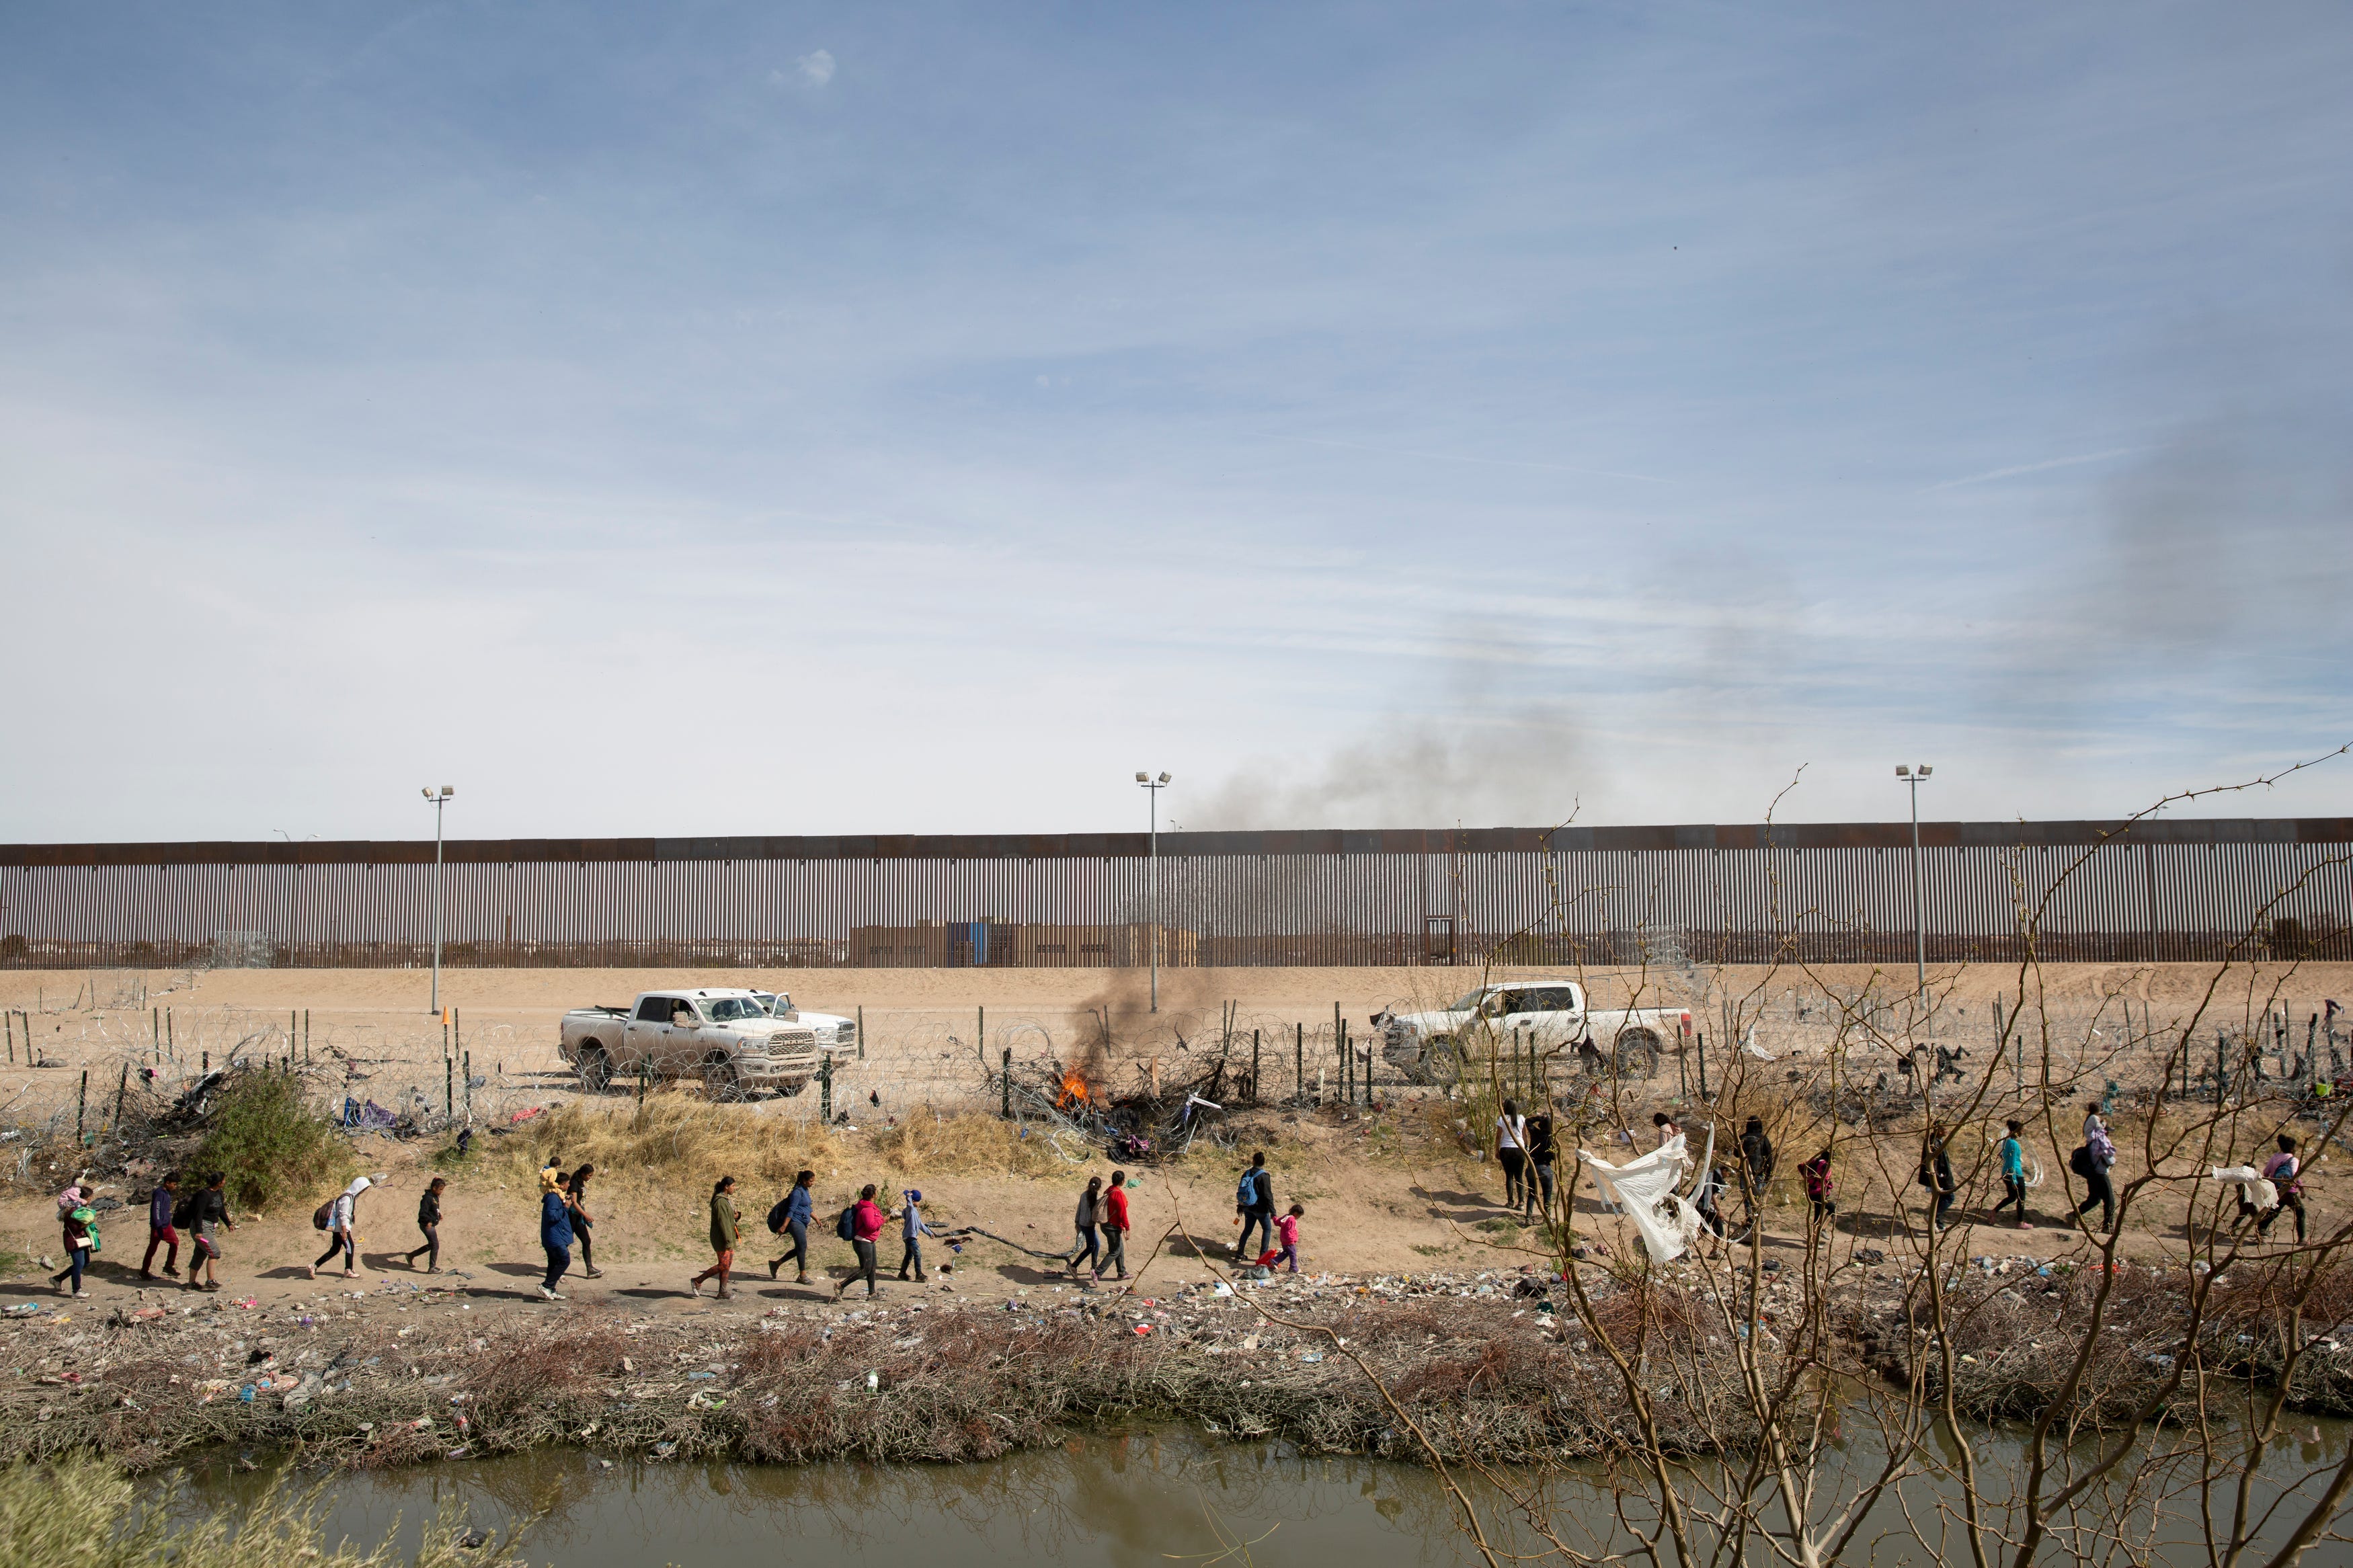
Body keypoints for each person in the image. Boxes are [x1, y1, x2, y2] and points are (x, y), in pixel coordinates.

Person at [690, 1175, 740, 1298]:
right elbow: (723, 1223)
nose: (735, 1188)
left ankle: (722, 1292)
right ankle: (698, 1280)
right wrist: (728, 1240)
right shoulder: (720, 1201)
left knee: (727, 1264)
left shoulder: (726, 1200)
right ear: (726, 1187)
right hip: (722, 1238)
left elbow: (729, 1218)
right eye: (733, 1186)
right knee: (723, 1264)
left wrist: (737, 1216)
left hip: (729, 1237)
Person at [311, 1175, 370, 1280]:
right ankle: (348, 1270)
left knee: (335, 1250)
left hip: (340, 1229)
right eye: (363, 1189)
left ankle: (314, 1266)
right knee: (350, 1247)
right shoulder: (346, 1198)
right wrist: (345, 1232)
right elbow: (343, 1216)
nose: (363, 1191)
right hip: (341, 1229)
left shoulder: (350, 1197)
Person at [834, 1184, 885, 1299]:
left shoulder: (866, 1206)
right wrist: (883, 1220)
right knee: (865, 1269)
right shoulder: (867, 1209)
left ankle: (872, 1293)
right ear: (873, 1195)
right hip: (863, 1241)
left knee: (872, 1267)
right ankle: (841, 1286)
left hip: (869, 1241)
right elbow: (870, 1226)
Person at [185, 1172, 234, 1292]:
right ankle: (210, 1281)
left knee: (200, 1254)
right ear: (219, 1183)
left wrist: (228, 1223)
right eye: (224, 1180)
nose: (225, 1182)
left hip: (210, 1228)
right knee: (214, 1252)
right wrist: (199, 1231)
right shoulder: (204, 1195)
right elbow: (199, 1213)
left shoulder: (218, 1193)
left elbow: (221, 1209)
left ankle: (191, 1283)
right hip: (202, 1229)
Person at [2255, 1134, 2307, 1244]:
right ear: (2293, 1148)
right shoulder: (2293, 1160)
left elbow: (2266, 1172)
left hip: (2276, 1190)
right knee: (2300, 1212)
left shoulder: (2275, 1157)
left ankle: (2261, 1230)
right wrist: (2301, 1187)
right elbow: (2294, 1176)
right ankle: (2302, 1239)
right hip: (2289, 1191)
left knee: (2273, 1211)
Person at [2071, 1112, 2116, 1235]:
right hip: (2100, 1174)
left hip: (2092, 1174)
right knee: (2110, 1200)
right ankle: (2108, 1226)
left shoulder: (2092, 1142)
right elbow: (2110, 1160)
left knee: (2094, 1199)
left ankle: (2073, 1215)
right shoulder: (2101, 1143)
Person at [768, 1169, 815, 1284]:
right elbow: (791, 1210)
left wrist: (816, 1218)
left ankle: (776, 1264)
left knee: (800, 1248)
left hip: (801, 1223)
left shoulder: (805, 1190)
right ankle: (802, 1276)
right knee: (802, 1246)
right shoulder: (797, 1192)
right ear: (804, 1181)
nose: (812, 1183)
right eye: (810, 1181)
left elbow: (807, 1207)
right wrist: (784, 1226)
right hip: (795, 1222)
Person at [50, 1192, 95, 1298]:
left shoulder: (80, 1209)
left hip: (81, 1239)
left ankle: (57, 1279)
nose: (90, 1200)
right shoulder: (73, 1211)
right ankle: (76, 1290)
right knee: (79, 1264)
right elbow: (74, 1227)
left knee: (84, 1263)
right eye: (89, 1198)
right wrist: (86, 1222)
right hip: (73, 1241)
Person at [539, 1171, 574, 1301]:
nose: (569, 1186)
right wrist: (565, 1207)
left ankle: (551, 1289)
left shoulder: (556, 1197)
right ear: (561, 1185)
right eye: (567, 1184)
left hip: (556, 1236)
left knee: (554, 1263)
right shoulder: (553, 1198)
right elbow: (552, 1216)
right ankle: (546, 1286)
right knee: (564, 1260)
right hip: (554, 1237)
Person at [141, 1173, 182, 1282]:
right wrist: (158, 1225)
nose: (175, 1186)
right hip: (160, 1226)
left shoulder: (166, 1193)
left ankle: (167, 1266)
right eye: (174, 1184)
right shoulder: (160, 1193)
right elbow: (156, 1210)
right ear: (167, 1183)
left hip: (166, 1224)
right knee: (153, 1248)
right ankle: (145, 1271)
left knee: (173, 1243)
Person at [1235, 1152, 1275, 1261]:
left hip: (1248, 1207)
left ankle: (1240, 1253)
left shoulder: (1247, 1174)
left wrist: (1241, 1205)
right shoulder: (1264, 1176)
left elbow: (1242, 1190)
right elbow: (1268, 1195)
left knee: (1247, 1230)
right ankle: (1263, 1256)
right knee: (1267, 1229)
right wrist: (1273, 1212)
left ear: (1253, 1161)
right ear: (1263, 1162)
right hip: (1261, 1209)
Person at [1991, 1121, 2032, 1229]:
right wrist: (2014, 1179)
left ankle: (1993, 1212)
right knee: (2021, 1198)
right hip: (2015, 1174)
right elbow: (2012, 1162)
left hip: (2007, 1173)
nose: (2023, 1132)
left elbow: (2004, 1156)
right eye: (2022, 1130)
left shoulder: (2007, 1142)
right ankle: (2021, 1223)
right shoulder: (2013, 1144)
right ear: (2017, 1132)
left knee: (2012, 1197)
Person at [567, 1165, 603, 1279]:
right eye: (589, 1175)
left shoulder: (580, 1182)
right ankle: (555, 1266)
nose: (590, 1178)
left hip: (578, 1216)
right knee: (566, 1242)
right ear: (583, 1173)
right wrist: (585, 1215)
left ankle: (590, 1268)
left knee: (586, 1241)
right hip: (573, 1216)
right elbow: (574, 1202)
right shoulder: (574, 1183)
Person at [1739, 1116, 1775, 1226]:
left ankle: (1750, 1221)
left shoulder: (1742, 1138)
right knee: (1757, 1199)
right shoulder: (1763, 1139)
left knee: (1747, 1197)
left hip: (1744, 1173)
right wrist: (1769, 1175)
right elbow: (1769, 1157)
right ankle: (1759, 1223)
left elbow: (1736, 1153)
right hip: (1759, 1174)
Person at [405, 1177, 446, 1272]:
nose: (441, 1192)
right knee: (435, 1245)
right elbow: (423, 1213)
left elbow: (434, 1209)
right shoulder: (427, 1199)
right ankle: (432, 1268)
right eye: (440, 1189)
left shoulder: (435, 1197)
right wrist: (429, 1221)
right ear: (434, 1188)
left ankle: (411, 1255)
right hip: (427, 1225)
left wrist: (438, 1215)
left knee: (432, 1245)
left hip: (431, 1224)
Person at [1919, 1128, 1956, 1231]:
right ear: (1939, 1131)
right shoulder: (1933, 1143)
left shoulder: (1936, 1141)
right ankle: (1932, 1218)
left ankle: (1938, 1224)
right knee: (1949, 1197)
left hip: (1941, 1176)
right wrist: (1937, 1176)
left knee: (1940, 1200)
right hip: (1940, 1178)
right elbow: (1933, 1162)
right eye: (1945, 1129)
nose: (1947, 1131)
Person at [1097, 1170, 1131, 1283]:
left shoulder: (1109, 1190)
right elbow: (1122, 1213)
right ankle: (1098, 1272)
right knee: (1115, 1251)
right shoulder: (1118, 1194)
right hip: (1112, 1226)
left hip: (1107, 1225)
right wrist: (1127, 1228)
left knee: (1119, 1249)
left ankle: (1121, 1273)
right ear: (1122, 1181)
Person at [1496, 1099, 1529, 1210]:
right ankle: (1521, 1202)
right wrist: (1527, 1147)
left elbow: (1498, 1136)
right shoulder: (1521, 1118)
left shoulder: (1503, 1119)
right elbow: (1525, 1135)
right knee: (1519, 1177)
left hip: (1506, 1149)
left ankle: (1510, 1201)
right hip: (1519, 1148)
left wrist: (1497, 1149)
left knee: (1509, 1176)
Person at [1524, 1113, 1557, 1221]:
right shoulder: (1551, 1139)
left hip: (1532, 1167)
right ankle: (1547, 1218)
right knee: (1547, 1194)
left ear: (1541, 1125)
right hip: (1545, 1168)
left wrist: (1539, 1118)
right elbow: (1554, 1156)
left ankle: (1528, 1218)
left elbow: (1527, 1121)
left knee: (1532, 1193)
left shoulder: (1535, 1133)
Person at [1068, 1176, 1104, 1278]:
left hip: (1082, 1223)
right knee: (1091, 1247)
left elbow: (1079, 1208)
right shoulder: (1097, 1198)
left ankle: (1094, 1267)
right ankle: (1074, 1266)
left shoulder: (1084, 1195)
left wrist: (1077, 1222)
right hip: (1089, 1225)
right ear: (1099, 1187)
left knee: (1096, 1244)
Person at [1799, 1148, 1835, 1230]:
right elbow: (1825, 1180)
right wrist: (1828, 1185)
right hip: (1819, 1193)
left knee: (1818, 1214)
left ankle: (1816, 1235)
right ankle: (1821, 1231)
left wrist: (1808, 1179)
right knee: (1831, 1209)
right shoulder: (1825, 1165)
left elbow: (1801, 1166)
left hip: (1812, 1192)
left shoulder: (1815, 1162)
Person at [1275, 1203, 1304, 1273]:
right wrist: (1292, 1240)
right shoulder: (1292, 1220)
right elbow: (1290, 1231)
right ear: (1296, 1213)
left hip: (1284, 1239)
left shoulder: (1286, 1217)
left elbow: (1278, 1222)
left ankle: (1274, 1261)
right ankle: (1293, 1267)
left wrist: (1274, 1217)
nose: (1298, 1217)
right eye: (1299, 1216)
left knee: (1286, 1253)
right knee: (1293, 1254)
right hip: (1289, 1241)